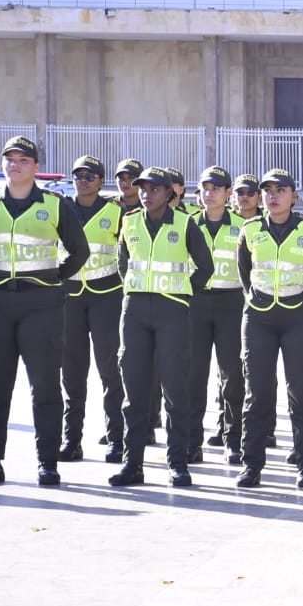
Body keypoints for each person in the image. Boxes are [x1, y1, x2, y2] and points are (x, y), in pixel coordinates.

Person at [0, 136, 90, 486]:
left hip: (42, 304)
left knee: (45, 387)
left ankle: (47, 462)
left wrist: (53, 278)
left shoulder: (54, 204)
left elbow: (78, 252)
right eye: (10, 159)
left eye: (23, 160)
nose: (15, 165)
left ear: (35, 167)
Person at [109, 166, 213, 487]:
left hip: (173, 311)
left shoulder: (185, 224)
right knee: (135, 391)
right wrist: (134, 289)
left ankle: (177, 463)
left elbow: (204, 267)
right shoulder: (129, 222)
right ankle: (132, 464)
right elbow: (123, 263)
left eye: (154, 189)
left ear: (169, 193)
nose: (145, 193)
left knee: (174, 390)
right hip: (136, 311)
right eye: (142, 188)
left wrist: (182, 292)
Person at [235, 169, 303, 489]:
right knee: (258, 393)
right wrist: (256, 296)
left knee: (302, 394)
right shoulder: (250, 230)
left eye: (281, 190)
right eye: (267, 191)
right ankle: (252, 466)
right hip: (259, 317)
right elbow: (244, 271)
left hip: (298, 317)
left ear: (294, 195)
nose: (273, 196)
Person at [59, 155, 125, 464]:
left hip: (106, 297)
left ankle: (116, 439)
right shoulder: (61, 210)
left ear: (101, 181)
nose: (83, 180)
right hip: (69, 298)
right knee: (72, 373)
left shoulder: (116, 212)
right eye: (78, 175)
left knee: (111, 371)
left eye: (90, 175)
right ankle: (71, 440)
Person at [187, 166, 247, 465]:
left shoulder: (243, 226)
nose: (209, 194)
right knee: (192, 376)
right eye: (204, 188)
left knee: (233, 376)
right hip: (195, 305)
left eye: (216, 188)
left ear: (227, 193)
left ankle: (233, 439)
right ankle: (191, 441)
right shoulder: (188, 224)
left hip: (231, 304)